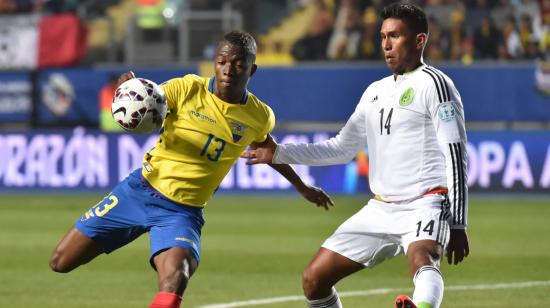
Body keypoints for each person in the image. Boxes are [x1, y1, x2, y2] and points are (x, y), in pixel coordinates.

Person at [48, 31, 334, 308]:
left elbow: (270, 149)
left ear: (252, 68)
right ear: (215, 63)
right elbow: (150, 97)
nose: (228, 69)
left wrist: (302, 186)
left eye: (238, 63)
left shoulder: (258, 116)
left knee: (176, 276)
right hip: (138, 191)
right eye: (222, 61)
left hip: (181, 212)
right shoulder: (186, 88)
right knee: (60, 262)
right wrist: (131, 88)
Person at [241, 3, 469, 308]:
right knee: (313, 280)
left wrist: (458, 224)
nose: (387, 44)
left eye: (396, 36)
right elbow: (341, 148)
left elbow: (455, 153)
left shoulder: (435, 85)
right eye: (383, 36)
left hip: (426, 202)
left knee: (422, 257)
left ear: (419, 41)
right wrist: (280, 152)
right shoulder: (375, 92)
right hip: (381, 207)